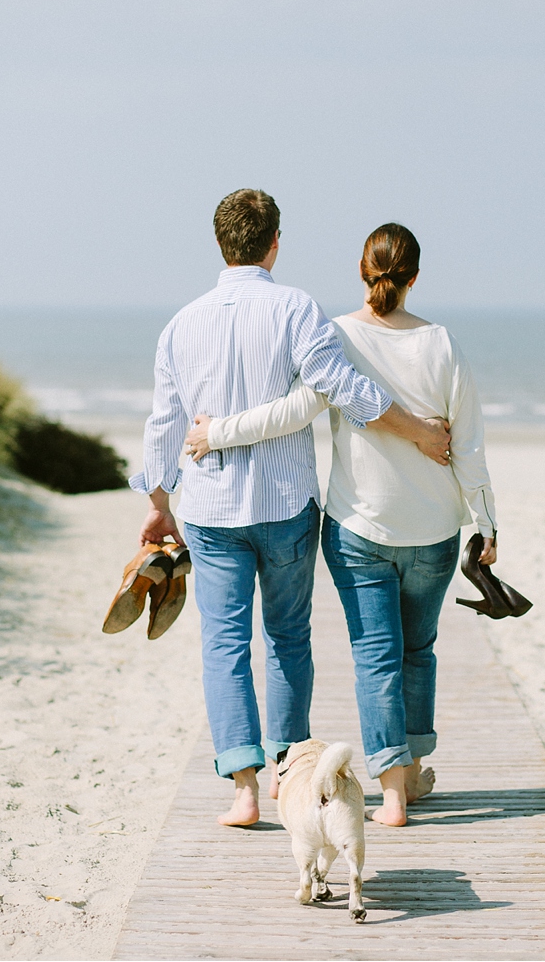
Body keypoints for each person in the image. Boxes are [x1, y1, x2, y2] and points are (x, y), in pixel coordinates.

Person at [130, 192, 451, 827]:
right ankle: (287, 771)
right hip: (285, 506)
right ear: (274, 242)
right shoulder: (295, 308)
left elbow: (165, 421)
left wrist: (158, 501)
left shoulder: (181, 324)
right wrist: (418, 430)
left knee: (223, 642)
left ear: (221, 244)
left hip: (211, 508)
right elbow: (339, 385)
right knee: (287, 636)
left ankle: (243, 791)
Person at [187, 222, 498, 827]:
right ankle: (409, 771)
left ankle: (393, 795)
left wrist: (214, 433)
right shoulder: (442, 343)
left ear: (364, 272)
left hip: (357, 526)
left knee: (375, 655)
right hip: (434, 528)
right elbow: (471, 446)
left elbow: (293, 411)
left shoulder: (335, 337)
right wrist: (486, 524)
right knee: (418, 650)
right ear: (412, 278)